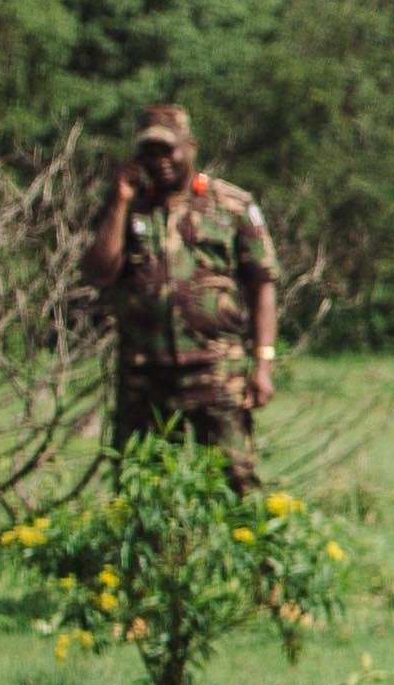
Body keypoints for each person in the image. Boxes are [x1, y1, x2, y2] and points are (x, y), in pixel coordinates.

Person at [88, 104, 277, 483]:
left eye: (168, 149)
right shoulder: (128, 207)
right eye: (149, 151)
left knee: (234, 479)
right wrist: (120, 201)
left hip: (215, 371)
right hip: (145, 373)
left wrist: (263, 363)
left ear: (190, 147)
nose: (159, 160)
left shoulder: (231, 204)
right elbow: (99, 273)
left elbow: (262, 284)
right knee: (142, 481)